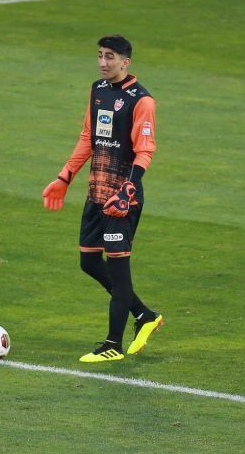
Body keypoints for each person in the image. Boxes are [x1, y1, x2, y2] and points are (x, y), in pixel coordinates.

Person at [42, 35, 163, 362]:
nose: (102, 62)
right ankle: (145, 316)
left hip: (121, 202)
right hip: (97, 193)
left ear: (125, 62)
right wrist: (64, 177)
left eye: (109, 56)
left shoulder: (142, 101)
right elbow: (89, 137)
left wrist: (128, 189)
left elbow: (145, 150)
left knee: (119, 272)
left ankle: (113, 345)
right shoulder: (98, 90)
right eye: (99, 55)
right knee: (89, 261)